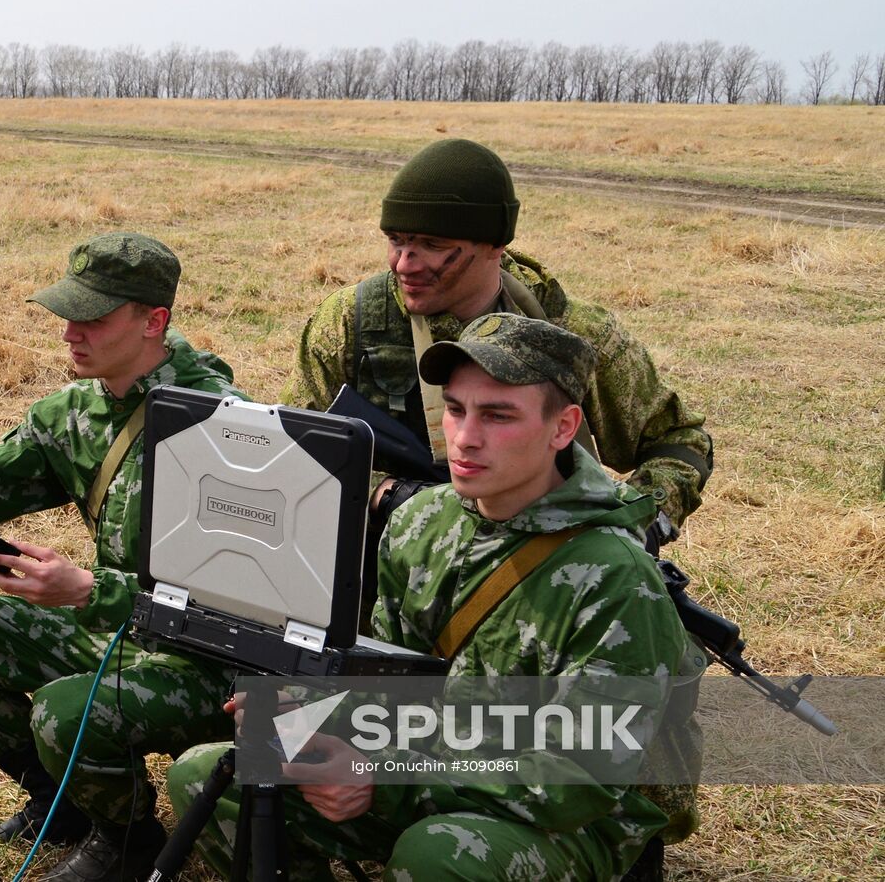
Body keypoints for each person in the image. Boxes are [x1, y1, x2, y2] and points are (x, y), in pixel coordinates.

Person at [167, 314, 703, 880]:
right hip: (424, 766)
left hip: (566, 820)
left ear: (563, 427)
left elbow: (577, 778)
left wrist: (383, 776)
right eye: (455, 409)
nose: (466, 437)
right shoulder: (420, 520)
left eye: (498, 416)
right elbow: (386, 678)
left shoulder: (618, 581)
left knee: (438, 852)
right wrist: (300, 711)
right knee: (212, 777)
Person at [0, 233, 244, 882]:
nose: (70, 333)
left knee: (64, 711)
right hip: (112, 633)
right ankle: (62, 801)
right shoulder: (74, 414)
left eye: (94, 318)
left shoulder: (226, 430)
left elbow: (232, 609)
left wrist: (87, 591)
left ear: (153, 322)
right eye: (68, 314)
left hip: (206, 672)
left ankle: (126, 839)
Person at [280, 138, 712, 546]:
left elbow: (678, 442)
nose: (405, 263)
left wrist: (634, 524)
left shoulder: (571, 332)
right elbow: (291, 448)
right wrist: (387, 495)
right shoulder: (349, 324)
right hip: (381, 570)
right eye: (396, 240)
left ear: (495, 245)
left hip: (538, 578)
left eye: (432, 244)